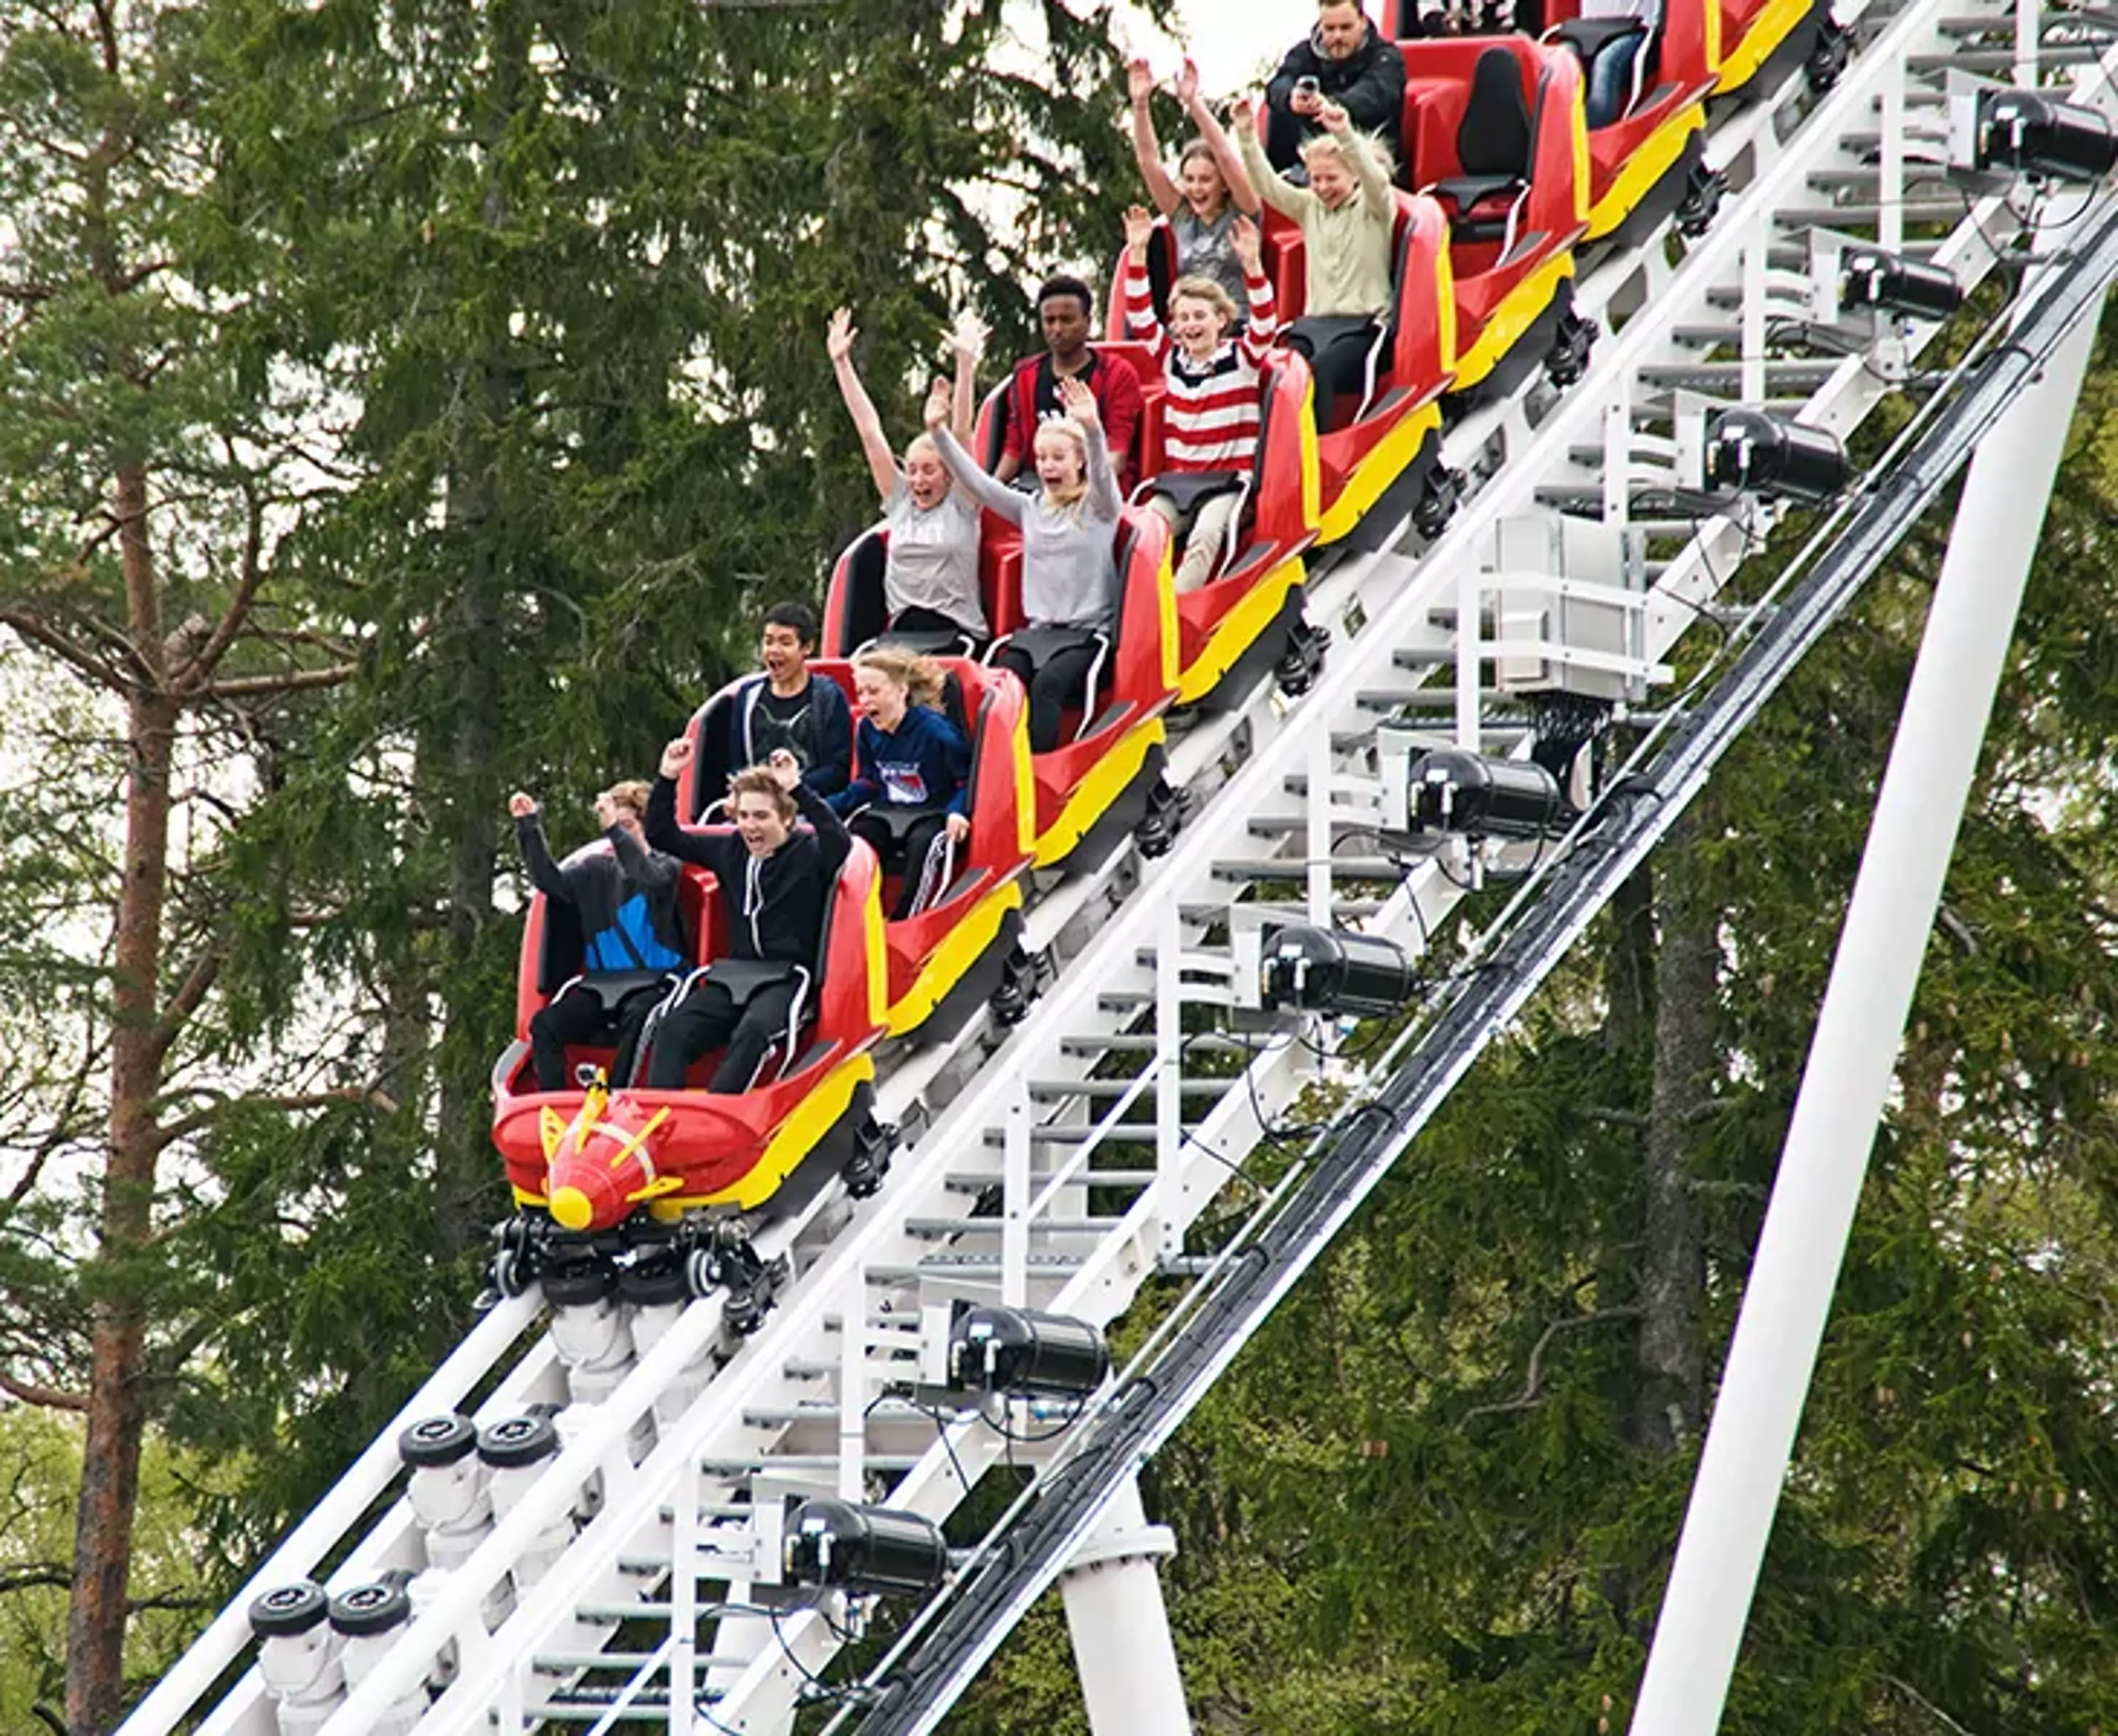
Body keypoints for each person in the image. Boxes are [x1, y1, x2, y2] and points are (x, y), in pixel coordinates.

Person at [928, 374, 1122, 754]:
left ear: (1078, 461)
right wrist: (938, 432)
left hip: (1086, 636)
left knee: (1047, 685)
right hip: (1039, 634)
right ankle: (985, 767)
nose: (1048, 467)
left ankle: (1037, 769)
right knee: (999, 682)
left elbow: (1103, 476)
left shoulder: (1099, 509)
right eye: (1043, 458)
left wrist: (1093, 430)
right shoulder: (1030, 508)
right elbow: (978, 484)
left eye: (1059, 458)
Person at [641, 744, 852, 1092]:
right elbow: (661, 835)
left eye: (761, 816)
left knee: (753, 1031)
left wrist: (798, 788)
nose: (750, 826)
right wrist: (668, 776)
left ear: (786, 818)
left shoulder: (808, 853)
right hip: (735, 974)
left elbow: (839, 844)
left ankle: (720, 1113)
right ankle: (663, 1120)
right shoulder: (730, 850)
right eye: (744, 816)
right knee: (673, 1027)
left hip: (788, 978)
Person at [1120, 205, 1277, 594]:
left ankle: (1175, 609)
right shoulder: (1174, 360)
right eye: (1184, 318)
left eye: (1199, 317)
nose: (1191, 325)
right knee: (1141, 535)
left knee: (1206, 536)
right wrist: (1138, 255)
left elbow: (1265, 323)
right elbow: (1140, 317)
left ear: (1221, 320)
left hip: (1225, 482)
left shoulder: (1242, 357)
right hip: (1180, 483)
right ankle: (1131, 609)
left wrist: (1253, 267)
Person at [826, 306, 992, 648]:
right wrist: (842, 364)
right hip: (902, 632)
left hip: (954, 632)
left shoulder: (962, 504)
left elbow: (962, 431)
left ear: (948, 475)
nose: (918, 480)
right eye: (912, 470)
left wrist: (965, 364)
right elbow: (870, 431)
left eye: (928, 471)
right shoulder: (901, 502)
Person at [1233, 97, 1397, 435]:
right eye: (1315, 180)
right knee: (1279, 370)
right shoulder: (1311, 208)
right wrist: (1247, 137)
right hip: (1316, 325)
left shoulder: (1375, 208)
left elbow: (1376, 180)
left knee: (1318, 371)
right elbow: (1269, 187)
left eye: (1330, 179)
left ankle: (1315, 449)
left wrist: (1346, 135)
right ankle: (1270, 449)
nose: (1322, 188)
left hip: (1364, 327)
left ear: (1352, 176)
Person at [510, 781, 688, 1091]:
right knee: (546, 1025)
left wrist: (615, 834)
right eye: (614, 826)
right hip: (602, 983)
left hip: (655, 981)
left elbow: (646, 876)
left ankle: (619, 1096)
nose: (619, 833)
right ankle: (554, 1102)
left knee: (639, 1018)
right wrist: (528, 826)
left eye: (628, 826)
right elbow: (550, 881)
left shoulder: (666, 867)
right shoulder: (594, 870)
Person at [830, 647, 972, 919]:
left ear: (900, 691)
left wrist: (957, 811)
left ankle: (907, 920)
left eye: (874, 692)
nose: (865, 700)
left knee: (923, 845)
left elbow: (965, 781)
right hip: (889, 811)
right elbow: (870, 783)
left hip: (932, 813)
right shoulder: (867, 730)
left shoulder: (936, 731)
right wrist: (825, 807)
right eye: (861, 693)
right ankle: (854, 920)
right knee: (857, 841)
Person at [1125, 56, 1263, 309]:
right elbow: (1148, 161)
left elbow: (1225, 155)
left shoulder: (1243, 213)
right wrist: (1141, 104)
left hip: (1234, 324)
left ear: (1223, 184)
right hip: (1189, 324)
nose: (1196, 188)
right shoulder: (1183, 219)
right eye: (1189, 180)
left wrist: (1192, 102)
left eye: (1205, 180)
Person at [993, 275, 1144, 496]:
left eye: (1067, 320)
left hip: (1097, 493)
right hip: (1037, 490)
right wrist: (992, 490)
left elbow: (1117, 454)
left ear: (1087, 322)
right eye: (1050, 320)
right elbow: (1014, 448)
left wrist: (1081, 492)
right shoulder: (1026, 375)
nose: (1057, 329)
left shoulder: (1118, 374)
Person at [710, 600, 853, 805]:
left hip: (809, 804)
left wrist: (788, 786)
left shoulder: (828, 696)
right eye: (769, 642)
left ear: (807, 647)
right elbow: (737, 764)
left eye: (785, 643)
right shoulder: (748, 697)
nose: (774, 650)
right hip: (756, 804)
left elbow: (838, 770)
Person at [1262, 0, 1407, 180]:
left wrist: (1330, 106)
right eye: (1330, 29)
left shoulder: (1387, 57)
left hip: (1370, 164)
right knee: (1279, 113)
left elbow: (1374, 96)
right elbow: (1278, 85)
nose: (1338, 36)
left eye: (1346, 28)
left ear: (1362, 22)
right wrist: (1292, 98)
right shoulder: (1303, 54)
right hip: (1309, 158)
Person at [1569, 0, 1660, 129]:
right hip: (1589, 29)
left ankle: (1593, 129)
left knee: (1606, 63)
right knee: (1562, 60)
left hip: (1635, 27)